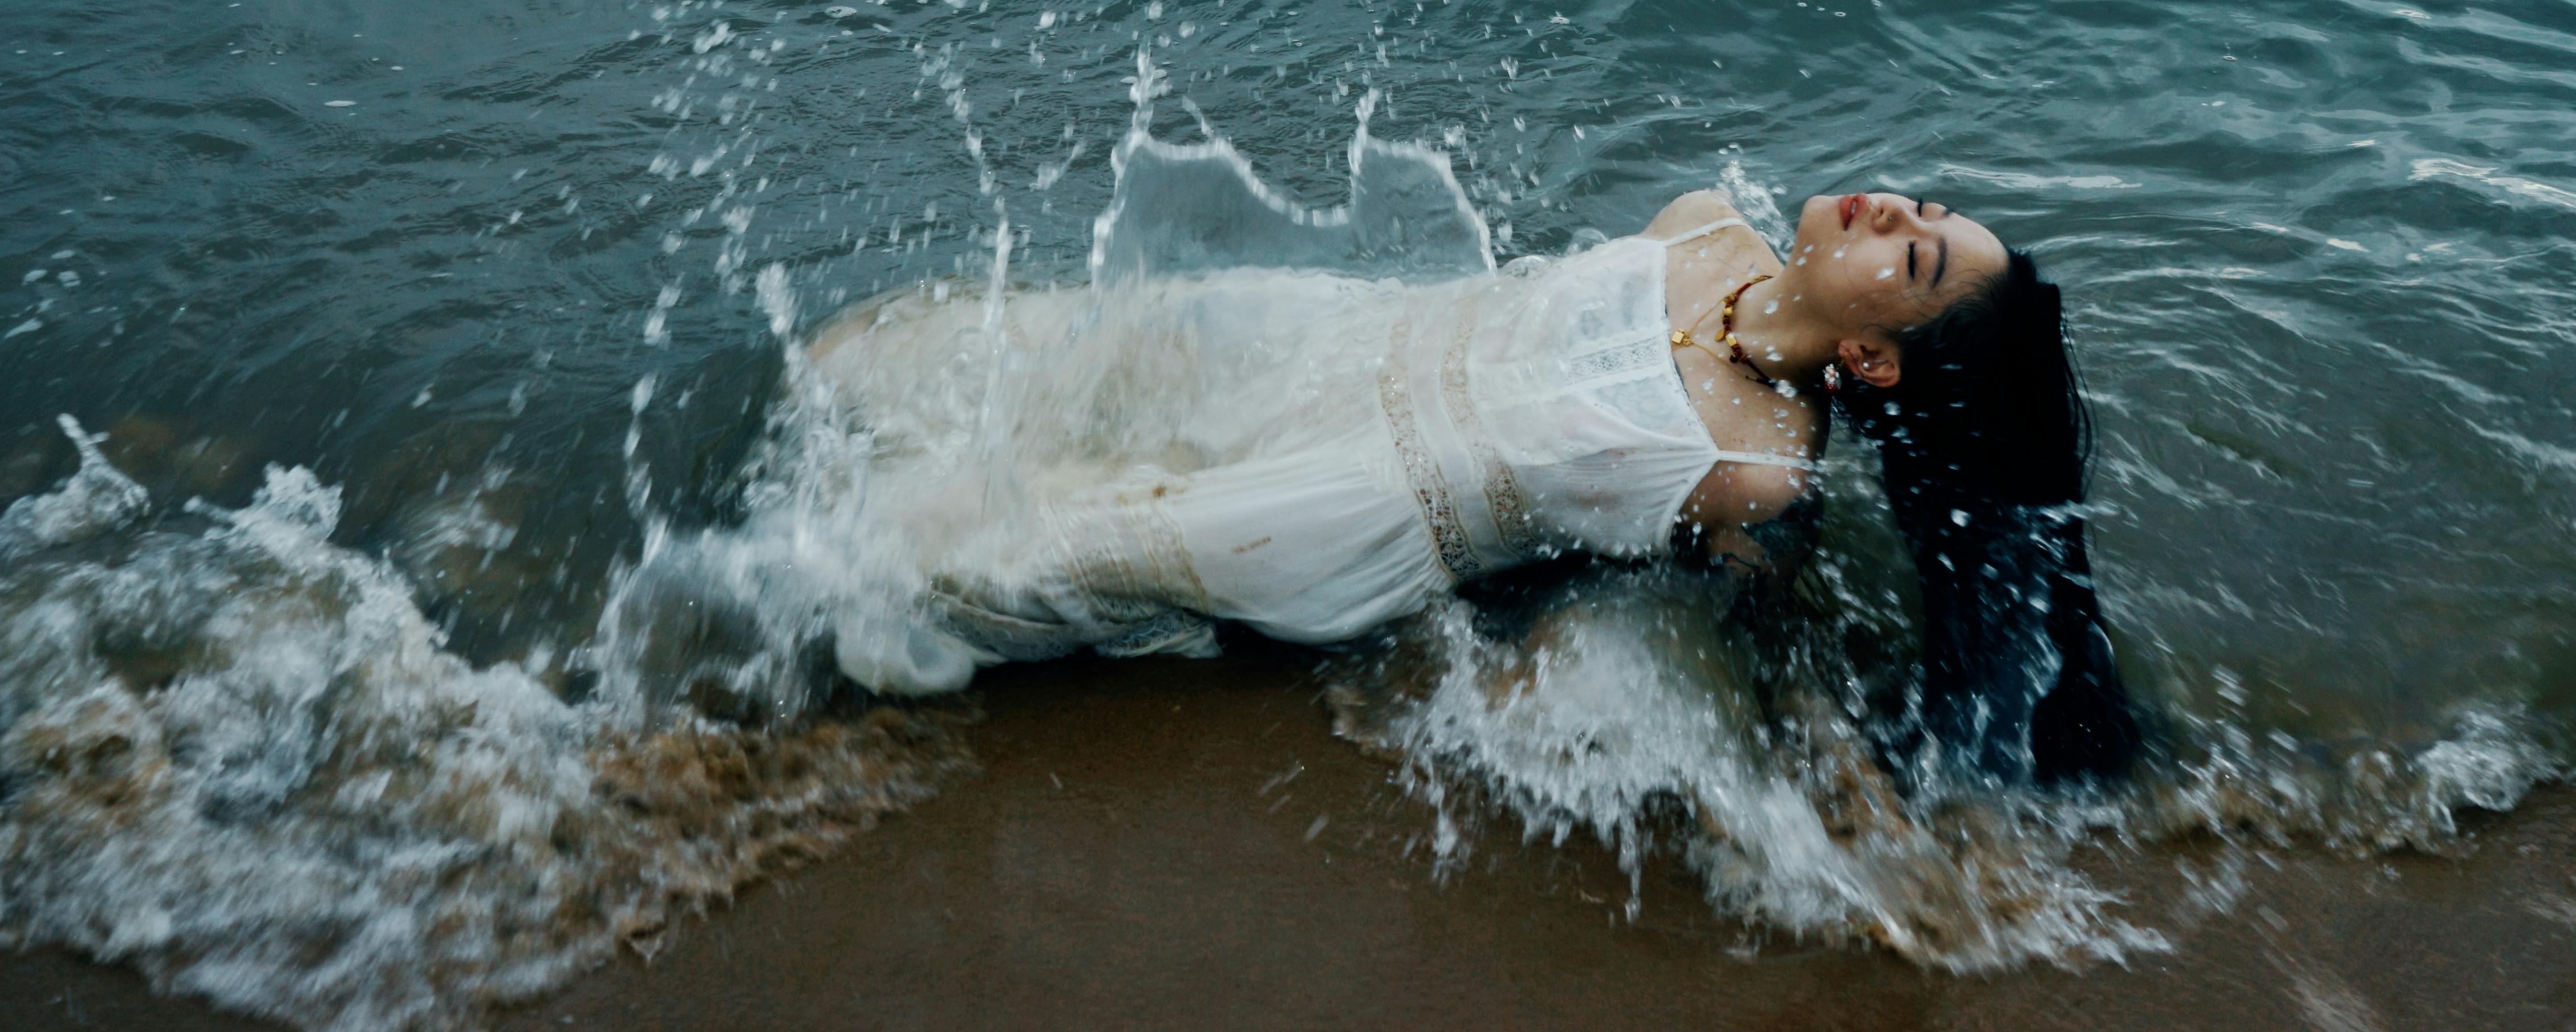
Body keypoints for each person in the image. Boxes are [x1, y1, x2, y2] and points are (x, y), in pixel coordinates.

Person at [797, 186, 2137, 788]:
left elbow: (1737, 596)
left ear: (1870, 359)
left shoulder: (1759, 474)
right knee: (881, 355)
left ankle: (806, 628)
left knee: (934, 568)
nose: (1894, 211)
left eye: (1914, 260)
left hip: (1363, 502)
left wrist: (1795, 720)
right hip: (1329, 337)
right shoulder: (1702, 220)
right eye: (1925, 208)